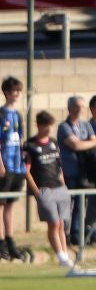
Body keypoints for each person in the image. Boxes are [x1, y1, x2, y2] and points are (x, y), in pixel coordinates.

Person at [24, 110, 77, 271]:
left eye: (50, 126)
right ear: (39, 126)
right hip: (44, 189)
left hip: (59, 188)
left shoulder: (53, 143)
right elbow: (26, 170)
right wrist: (36, 191)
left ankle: (64, 254)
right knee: (53, 223)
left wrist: (63, 185)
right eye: (46, 126)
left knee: (61, 224)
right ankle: (60, 256)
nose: (49, 129)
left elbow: (58, 167)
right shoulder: (30, 145)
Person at [0, 76, 26, 260]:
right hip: (5, 164)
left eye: (19, 91)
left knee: (10, 204)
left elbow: (20, 140)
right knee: (0, 203)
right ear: (6, 92)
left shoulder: (18, 115)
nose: (17, 94)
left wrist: (24, 162)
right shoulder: (0, 114)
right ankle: (0, 239)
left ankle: (10, 237)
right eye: (14, 91)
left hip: (17, 166)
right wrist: (0, 163)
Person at [56, 96, 96, 251]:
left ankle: (77, 234)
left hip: (83, 172)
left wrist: (83, 143)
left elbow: (93, 140)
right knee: (68, 205)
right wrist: (86, 143)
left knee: (80, 205)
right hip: (69, 171)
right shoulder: (64, 127)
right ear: (70, 108)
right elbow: (75, 145)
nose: (80, 109)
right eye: (77, 106)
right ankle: (65, 234)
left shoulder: (86, 125)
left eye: (82, 106)